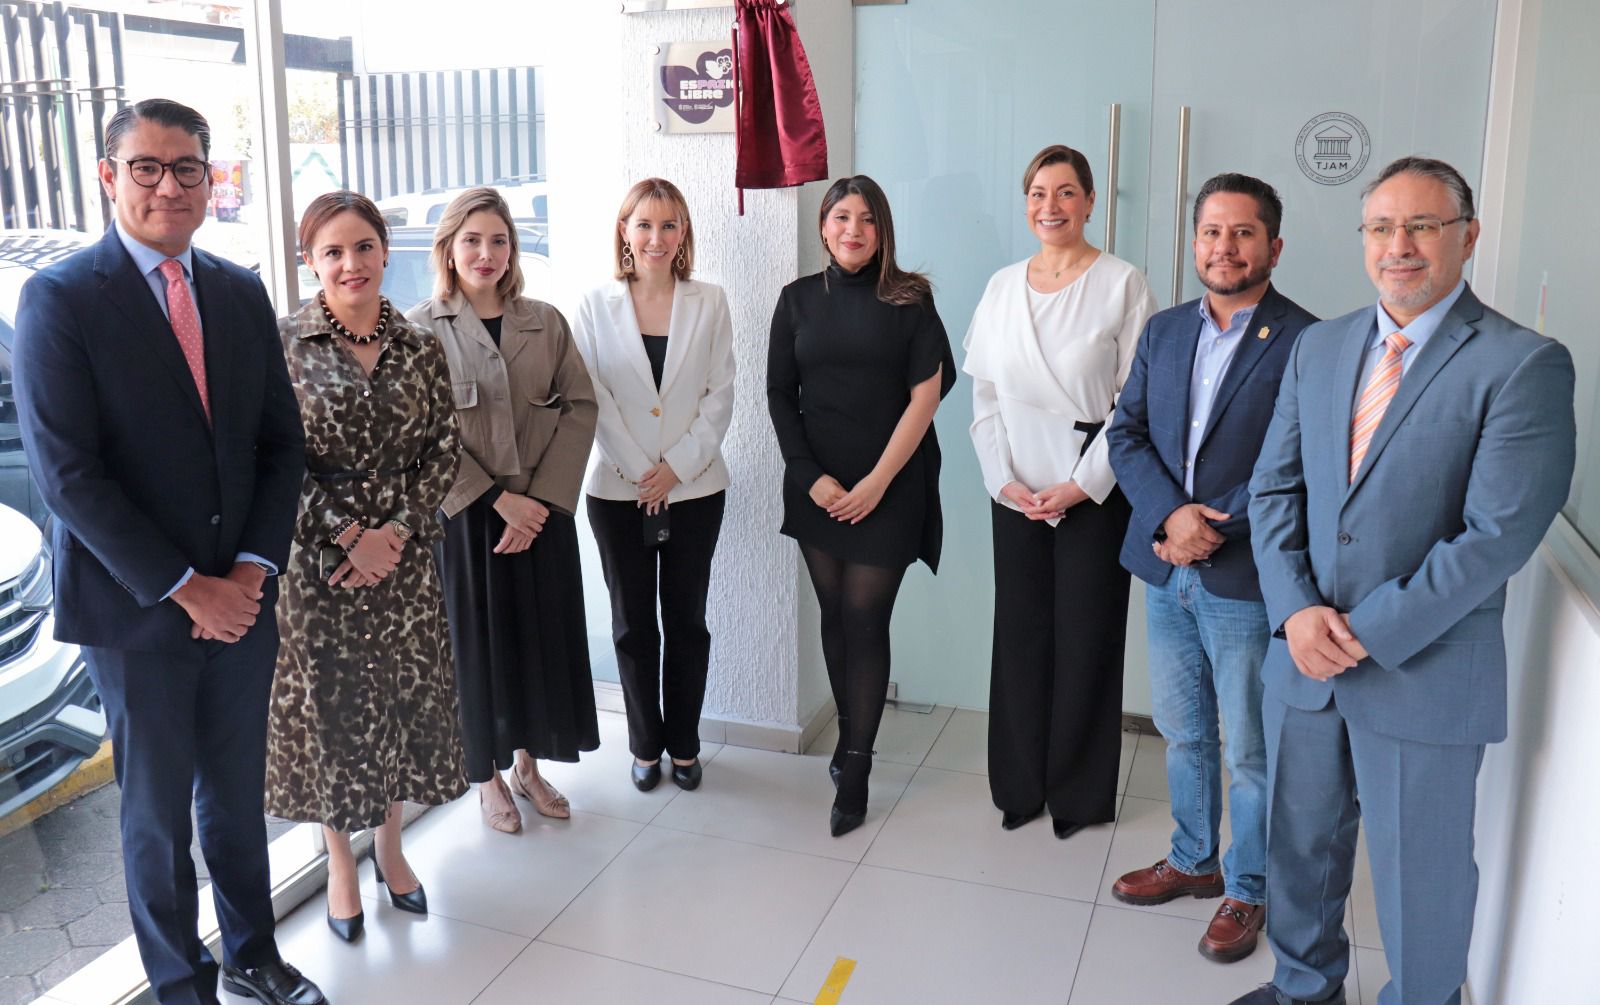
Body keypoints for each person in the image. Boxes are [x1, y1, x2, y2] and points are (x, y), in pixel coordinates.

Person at [1231, 157, 1576, 1005]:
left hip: (1423, 669)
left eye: (1423, 225)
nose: (1400, 246)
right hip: (1304, 659)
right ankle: (1304, 987)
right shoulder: (1320, 346)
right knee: (1299, 846)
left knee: (1421, 875)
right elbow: (1274, 490)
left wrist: (1363, 631)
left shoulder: (1523, 363)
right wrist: (1296, 611)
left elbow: (1496, 536)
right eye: (1382, 227)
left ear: (1468, 236)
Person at [11, 98, 324, 1005]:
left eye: (187, 167)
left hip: (244, 599)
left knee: (235, 794)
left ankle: (253, 957)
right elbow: (69, 477)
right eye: (146, 167)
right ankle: (180, 985)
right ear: (109, 176)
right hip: (137, 611)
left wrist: (252, 571)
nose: (168, 186)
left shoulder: (238, 290)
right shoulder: (61, 298)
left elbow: (281, 445)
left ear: (207, 180)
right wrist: (189, 587)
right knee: (154, 814)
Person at [1105, 173, 1317, 964]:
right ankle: (1194, 858)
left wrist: (1206, 525)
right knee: (1182, 730)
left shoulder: (1305, 340)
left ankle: (1248, 884)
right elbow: (1125, 434)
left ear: (1274, 246)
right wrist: (1170, 516)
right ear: (1194, 242)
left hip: (1245, 573)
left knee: (1249, 747)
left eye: (1243, 233)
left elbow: (1294, 461)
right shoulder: (1164, 330)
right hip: (1168, 567)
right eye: (1211, 232)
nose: (1224, 247)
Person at [266, 190, 467, 944]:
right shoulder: (285, 344)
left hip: (405, 561)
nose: (351, 264)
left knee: (401, 702)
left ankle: (390, 847)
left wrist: (397, 531)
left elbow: (444, 446)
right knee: (334, 712)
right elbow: (274, 461)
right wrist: (351, 535)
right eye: (333, 252)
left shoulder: (419, 344)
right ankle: (340, 863)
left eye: (363, 247)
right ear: (310, 261)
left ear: (385, 251)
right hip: (321, 565)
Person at [962, 144, 1155, 841]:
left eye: (1067, 192)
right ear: (1026, 204)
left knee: (1087, 637)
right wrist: (1001, 479)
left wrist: (1081, 485)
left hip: (1093, 490)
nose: (1052, 206)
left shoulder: (1122, 283)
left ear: (1090, 201)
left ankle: (1078, 791)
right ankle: (1018, 783)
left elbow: (1134, 403)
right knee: (1019, 636)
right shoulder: (1001, 286)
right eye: (1039, 193)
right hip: (1015, 490)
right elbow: (985, 396)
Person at [407, 187, 600, 833]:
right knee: (476, 651)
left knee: (536, 644)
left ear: (513, 249)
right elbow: (420, 434)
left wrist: (538, 502)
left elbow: (580, 407)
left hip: (541, 517)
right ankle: (486, 778)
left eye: (498, 240)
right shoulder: (418, 328)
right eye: (471, 240)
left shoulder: (545, 322)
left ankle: (527, 766)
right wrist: (498, 500)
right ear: (448, 249)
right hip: (467, 522)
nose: (485, 253)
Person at [768, 174, 955, 838]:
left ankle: (857, 766)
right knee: (834, 615)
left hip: (891, 484)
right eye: (842, 216)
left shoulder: (910, 299)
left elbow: (926, 397)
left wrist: (877, 482)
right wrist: (808, 476)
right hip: (818, 486)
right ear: (823, 226)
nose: (854, 229)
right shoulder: (795, 300)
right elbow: (779, 394)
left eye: (868, 219)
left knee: (865, 618)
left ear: (883, 231)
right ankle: (851, 735)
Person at [574, 178, 735, 793]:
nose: (656, 237)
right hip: (619, 494)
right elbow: (592, 396)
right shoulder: (595, 305)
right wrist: (644, 472)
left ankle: (685, 745)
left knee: (687, 621)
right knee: (632, 624)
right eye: (644, 224)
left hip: (695, 492)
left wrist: (676, 469)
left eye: (669, 225)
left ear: (683, 232)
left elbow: (721, 394)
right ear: (624, 230)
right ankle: (644, 744)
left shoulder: (710, 301)